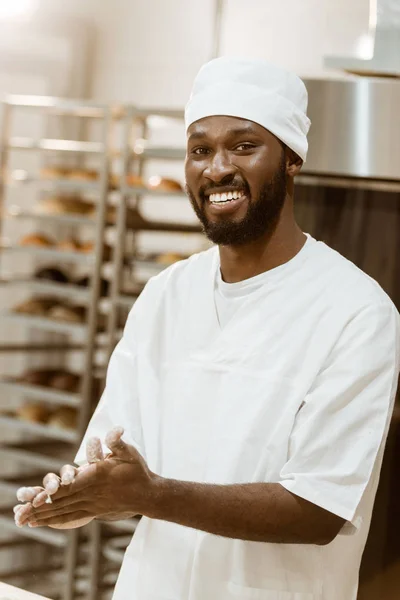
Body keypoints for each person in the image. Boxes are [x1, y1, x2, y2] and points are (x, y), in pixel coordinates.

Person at [14, 57, 400, 600]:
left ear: (291, 159)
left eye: (243, 146)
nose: (216, 168)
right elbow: (118, 462)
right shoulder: (166, 294)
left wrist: (149, 494)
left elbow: (317, 511)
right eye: (200, 149)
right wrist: (80, 495)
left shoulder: (356, 311)